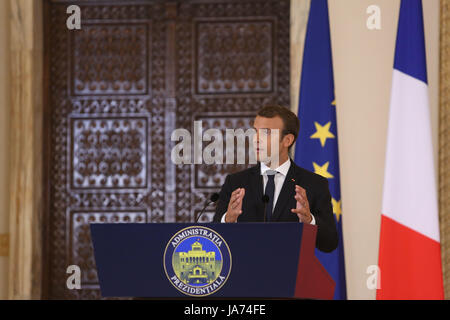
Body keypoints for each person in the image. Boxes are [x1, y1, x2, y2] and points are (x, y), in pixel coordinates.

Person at [213, 105, 338, 253]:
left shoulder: (314, 184)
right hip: (245, 272)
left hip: (291, 273)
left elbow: (330, 243)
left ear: (287, 140)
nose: (256, 139)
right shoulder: (236, 182)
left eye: (266, 133)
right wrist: (228, 220)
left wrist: (309, 220)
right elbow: (214, 238)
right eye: (255, 131)